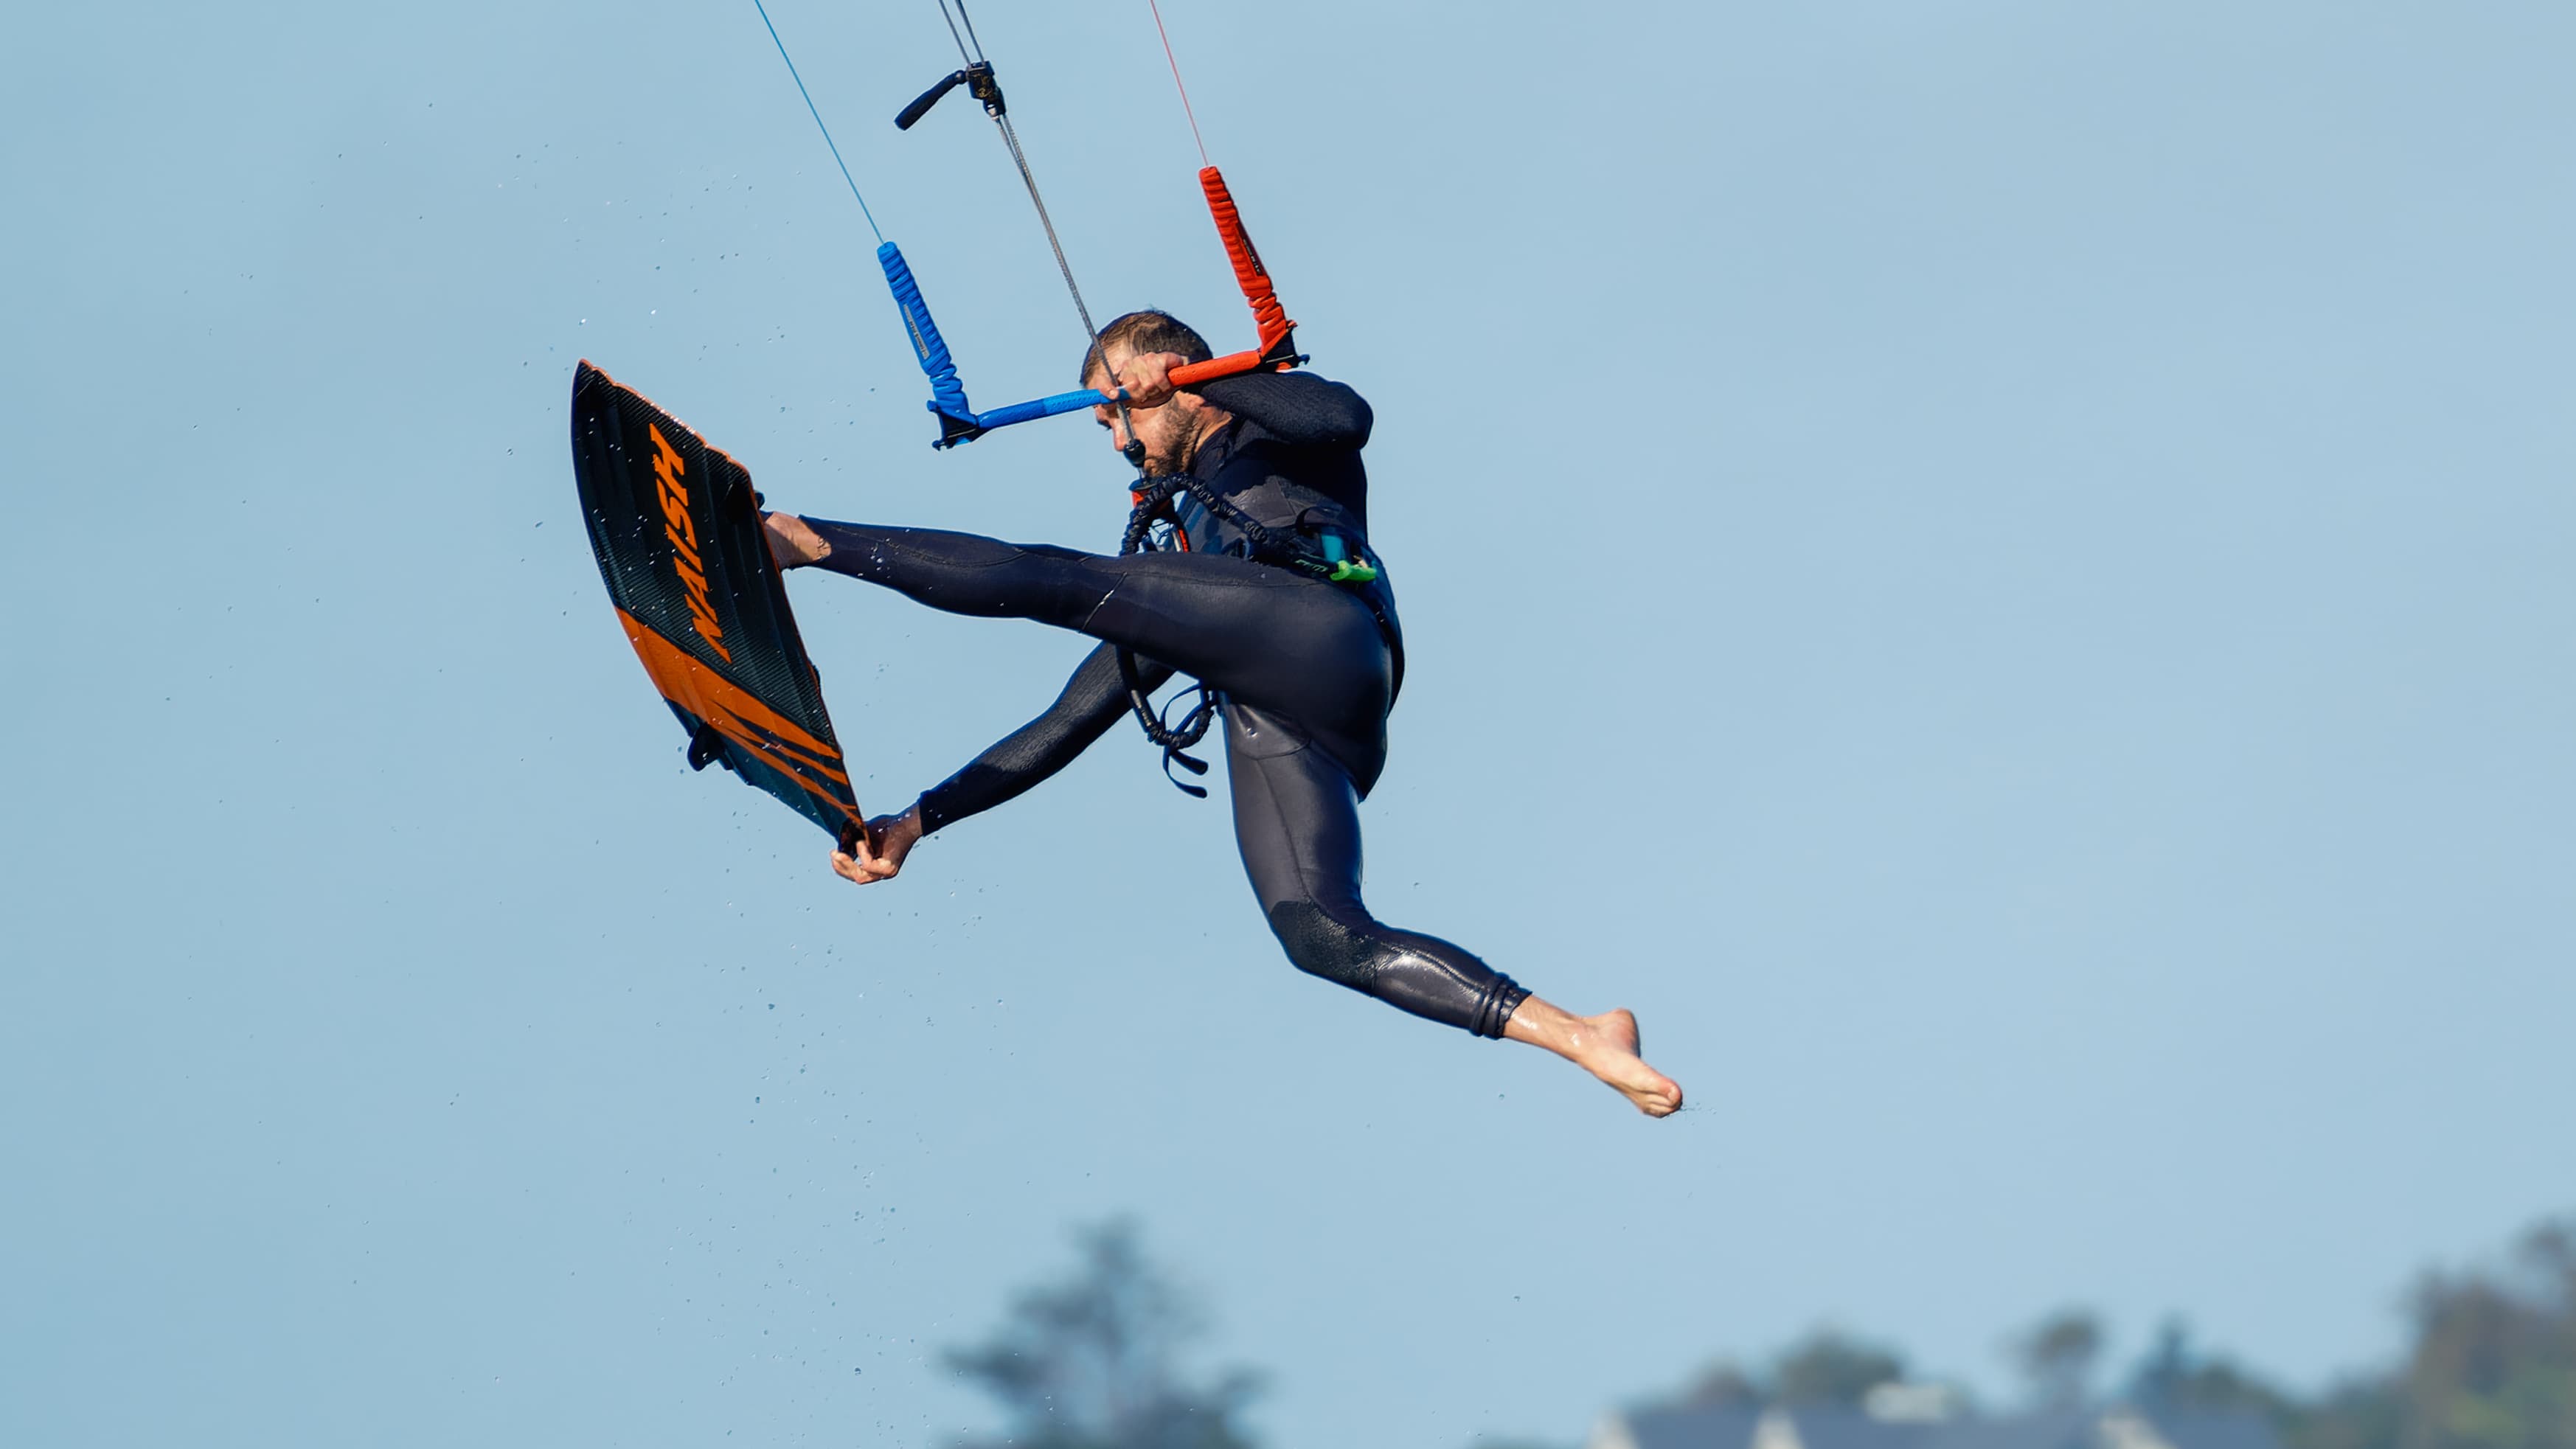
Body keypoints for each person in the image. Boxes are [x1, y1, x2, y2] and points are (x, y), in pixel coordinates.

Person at [762, 311, 1683, 1116]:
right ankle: (1580, 1034)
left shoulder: (1275, 423)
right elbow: (1070, 716)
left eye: (1116, 412)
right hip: (1303, 711)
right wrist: (920, 821)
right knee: (1320, 935)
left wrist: (1202, 381)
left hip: (1317, 627)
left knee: (1059, 578)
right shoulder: (1189, 561)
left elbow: (1345, 416)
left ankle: (802, 542)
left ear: (1163, 372)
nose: (1118, 442)